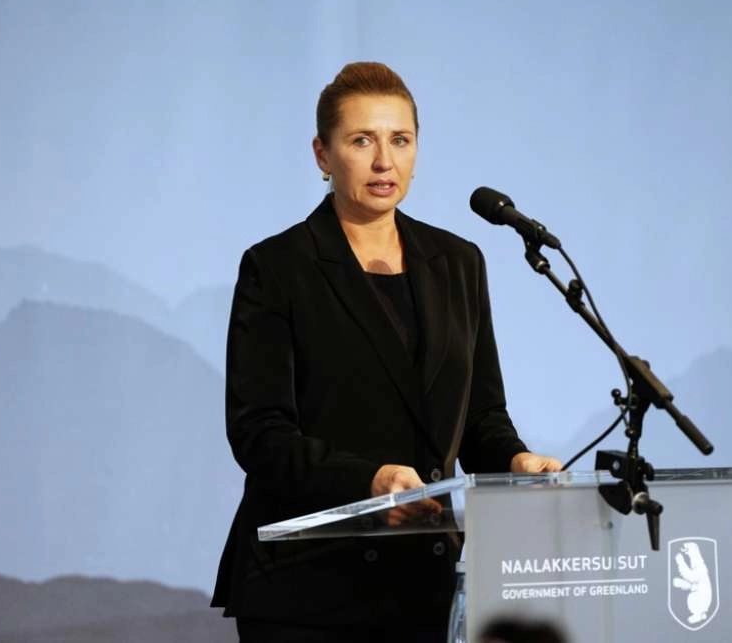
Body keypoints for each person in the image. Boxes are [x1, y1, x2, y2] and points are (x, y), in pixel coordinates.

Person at [211, 62, 561, 643]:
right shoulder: (278, 267)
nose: (383, 161)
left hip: (427, 582)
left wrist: (515, 461)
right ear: (323, 155)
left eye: (400, 140)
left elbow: (480, 417)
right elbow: (259, 434)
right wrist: (368, 481)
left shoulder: (458, 262)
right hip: (309, 590)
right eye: (361, 141)